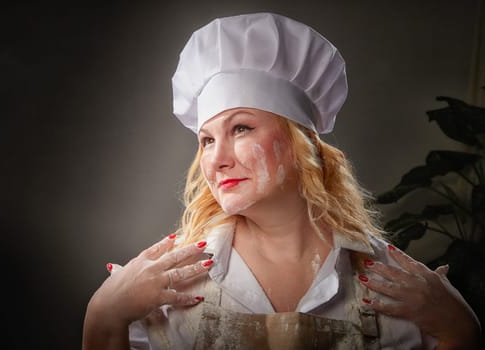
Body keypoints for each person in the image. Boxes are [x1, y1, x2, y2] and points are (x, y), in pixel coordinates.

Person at [82, 12, 481, 349]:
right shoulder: (167, 285)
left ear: (300, 143)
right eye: (206, 140)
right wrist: (103, 317)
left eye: (240, 128)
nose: (216, 159)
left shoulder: (391, 284)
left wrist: (460, 331)